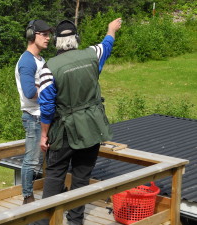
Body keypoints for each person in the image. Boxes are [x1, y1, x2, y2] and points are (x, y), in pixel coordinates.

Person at [36, 18, 122, 225]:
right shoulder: (92, 54)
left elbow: (46, 108)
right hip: (92, 128)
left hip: (64, 131)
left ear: (56, 42)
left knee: (55, 176)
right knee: (81, 178)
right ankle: (75, 221)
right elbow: (107, 45)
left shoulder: (48, 69)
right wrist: (111, 29)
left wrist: (44, 134)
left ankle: (42, 221)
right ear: (76, 39)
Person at [15, 19, 52, 204]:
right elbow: (30, 92)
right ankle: (27, 197)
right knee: (31, 160)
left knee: (46, 158)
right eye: (44, 34)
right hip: (33, 117)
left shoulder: (39, 59)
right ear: (32, 35)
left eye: (49, 34)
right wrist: (50, 92)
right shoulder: (27, 62)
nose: (48, 38)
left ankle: (52, 191)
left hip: (42, 116)